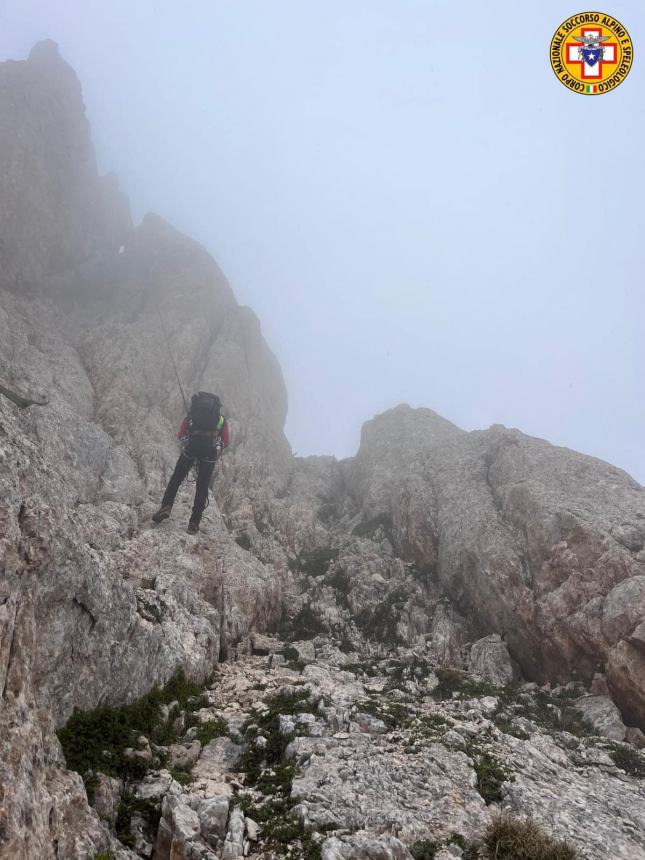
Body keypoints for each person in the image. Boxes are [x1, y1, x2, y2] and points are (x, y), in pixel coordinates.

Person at [152, 392, 230, 533]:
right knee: (202, 488)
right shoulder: (221, 419)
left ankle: (166, 507)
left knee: (176, 479)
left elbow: (181, 434)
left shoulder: (192, 414)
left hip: (191, 448)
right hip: (209, 454)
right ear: (216, 407)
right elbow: (226, 441)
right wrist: (217, 448)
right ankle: (194, 523)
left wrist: (188, 442)